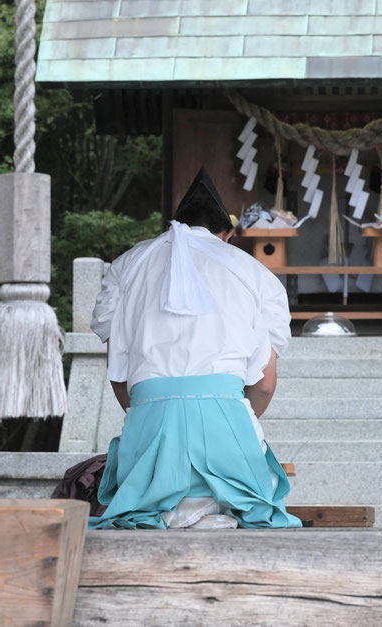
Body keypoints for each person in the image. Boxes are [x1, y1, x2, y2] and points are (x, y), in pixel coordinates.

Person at [87, 167, 301, 530]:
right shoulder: (256, 273)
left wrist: (154, 415)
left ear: (172, 227)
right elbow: (264, 385)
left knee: (140, 500)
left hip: (148, 428)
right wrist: (226, 420)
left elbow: (118, 373)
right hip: (226, 433)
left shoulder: (127, 265)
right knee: (249, 500)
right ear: (228, 235)